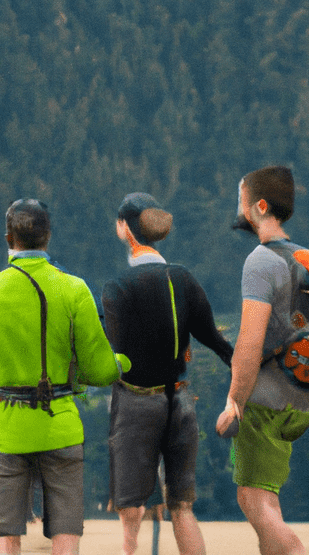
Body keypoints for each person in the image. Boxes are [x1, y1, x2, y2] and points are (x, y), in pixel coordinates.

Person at [0, 198, 127, 555]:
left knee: (3, 537)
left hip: (3, 431)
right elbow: (101, 370)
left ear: (7, 238)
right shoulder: (74, 289)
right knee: (66, 536)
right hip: (60, 425)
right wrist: (123, 362)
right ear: (48, 237)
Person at [215, 165, 309, 555]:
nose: (239, 208)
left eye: (242, 201)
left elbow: (249, 345)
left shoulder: (260, 261)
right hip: (302, 398)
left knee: (252, 500)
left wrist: (234, 400)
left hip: (264, 402)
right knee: (266, 497)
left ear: (260, 206)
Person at [102, 192, 233, 555]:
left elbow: (114, 354)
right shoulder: (183, 279)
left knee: (130, 511)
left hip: (136, 404)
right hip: (181, 401)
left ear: (124, 229)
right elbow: (217, 341)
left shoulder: (118, 287)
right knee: (182, 507)